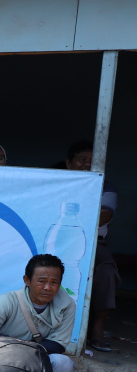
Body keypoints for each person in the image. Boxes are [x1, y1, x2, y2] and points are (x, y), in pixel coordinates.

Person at [0, 254, 75, 372]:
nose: (48, 287)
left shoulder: (67, 305)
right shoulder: (9, 299)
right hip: (2, 352)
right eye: (41, 281)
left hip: (35, 357)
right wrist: (14, 348)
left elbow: (57, 345)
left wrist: (24, 353)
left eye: (54, 282)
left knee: (63, 364)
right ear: (27, 280)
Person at [65, 141, 118, 351]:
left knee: (106, 272)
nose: (87, 164)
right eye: (82, 160)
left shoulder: (106, 186)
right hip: (64, 240)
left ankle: (96, 328)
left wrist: (76, 221)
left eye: (92, 160)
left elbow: (106, 213)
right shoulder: (60, 184)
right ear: (69, 163)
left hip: (94, 242)